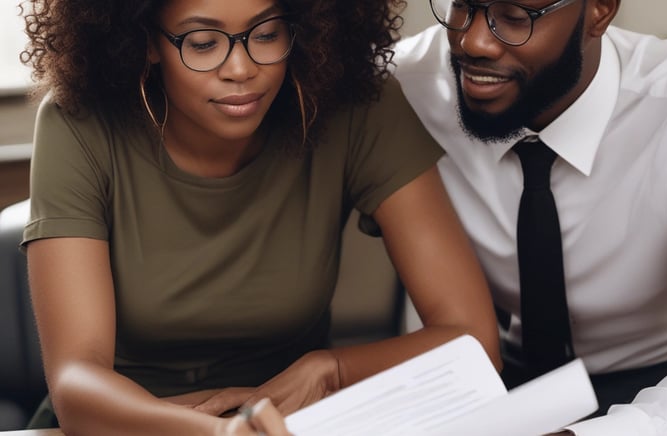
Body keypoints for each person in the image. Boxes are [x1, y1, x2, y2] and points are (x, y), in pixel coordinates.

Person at [19, 0, 502, 434]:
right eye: (203, 43)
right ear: (145, 42)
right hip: (122, 427)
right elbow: (76, 383)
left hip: (297, 422)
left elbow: (473, 340)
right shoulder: (78, 122)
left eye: (267, 33)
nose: (241, 68)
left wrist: (330, 369)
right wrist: (219, 434)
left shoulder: (356, 107)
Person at [392, 0, 667, 434]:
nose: (472, 41)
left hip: (661, 391)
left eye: (515, 17)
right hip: (482, 383)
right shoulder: (408, 86)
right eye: (463, 7)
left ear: (599, 11)